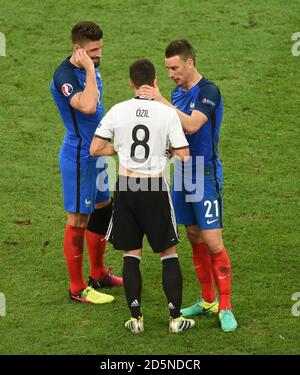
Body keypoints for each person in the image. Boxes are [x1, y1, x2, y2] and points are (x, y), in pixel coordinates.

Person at [90, 59, 195, 334]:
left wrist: (118, 150)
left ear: (131, 83)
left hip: (126, 188)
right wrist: (166, 152)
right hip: (154, 189)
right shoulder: (166, 114)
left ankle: (136, 319)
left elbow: (95, 148)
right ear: (155, 80)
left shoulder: (117, 111)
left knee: (131, 254)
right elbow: (184, 155)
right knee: (168, 254)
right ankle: (175, 319)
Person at [139, 39, 237, 332]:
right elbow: (174, 131)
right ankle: (207, 299)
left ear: (189, 62)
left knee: (212, 241)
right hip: (182, 171)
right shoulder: (175, 94)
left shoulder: (209, 91)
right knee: (193, 235)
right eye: (167, 68)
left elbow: (193, 125)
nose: (170, 73)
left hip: (204, 174)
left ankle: (226, 305)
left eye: (174, 67)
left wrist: (160, 101)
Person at [50, 21, 123, 305]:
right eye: (93, 50)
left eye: (100, 49)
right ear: (77, 49)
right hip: (79, 156)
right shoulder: (65, 76)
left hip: (99, 153)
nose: (98, 54)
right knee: (78, 220)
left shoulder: (88, 67)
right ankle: (77, 287)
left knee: (104, 209)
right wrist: (90, 70)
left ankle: (98, 274)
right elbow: (89, 106)